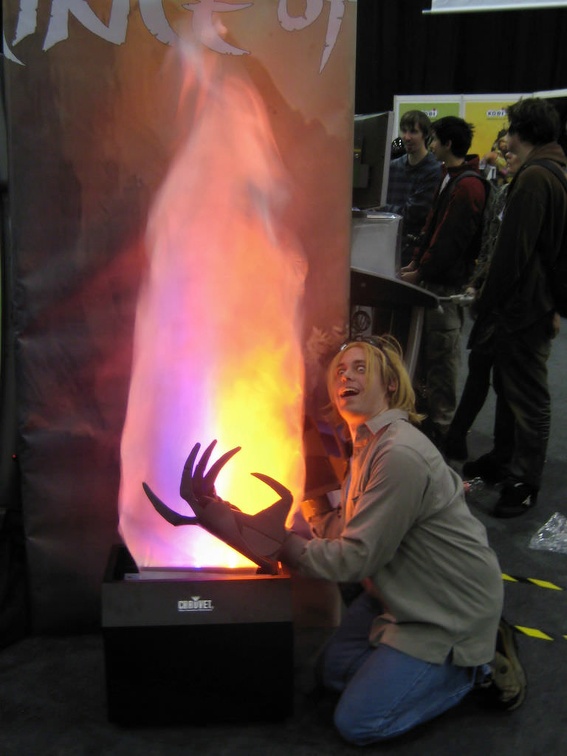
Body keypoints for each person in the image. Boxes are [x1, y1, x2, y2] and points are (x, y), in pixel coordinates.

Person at [279, 335, 525, 745]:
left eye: (361, 368)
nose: (346, 377)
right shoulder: (367, 445)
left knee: (359, 723)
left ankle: (476, 667)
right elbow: (355, 527)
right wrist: (317, 514)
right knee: (333, 675)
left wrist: (285, 547)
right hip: (399, 594)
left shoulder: (397, 453)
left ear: (390, 384)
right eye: (340, 371)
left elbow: (354, 559)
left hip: (445, 608)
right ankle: (408, 657)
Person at [462, 97, 567, 518]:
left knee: (527, 396)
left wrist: (485, 301)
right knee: (509, 388)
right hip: (530, 305)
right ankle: (505, 460)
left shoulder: (536, 177)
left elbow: (513, 254)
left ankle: (524, 481)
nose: (504, 141)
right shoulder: (549, 170)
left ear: (520, 131)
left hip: (525, 308)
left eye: (508, 131)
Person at [400, 117, 488, 447]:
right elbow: (433, 228)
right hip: (430, 281)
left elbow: (450, 240)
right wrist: (416, 264)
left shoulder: (466, 185)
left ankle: (443, 431)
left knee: (443, 360)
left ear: (446, 143)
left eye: (432, 138)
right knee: (428, 357)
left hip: (445, 289)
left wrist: (421, 269)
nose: (430, 144)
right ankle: (431, 426)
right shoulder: (446, 176)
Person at [444, 143, 522, 462]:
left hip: (513, 302)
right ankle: (458, 436)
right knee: (480, 368)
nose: (506, 156)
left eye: (511, 150)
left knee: (506, 380)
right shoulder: (502, 192)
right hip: (490, 295)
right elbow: (489, 244)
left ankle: (506, 457)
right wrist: (477, 283)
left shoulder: (531, 189)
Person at [382, 110, 442, 266]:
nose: (407, 137)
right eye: (404, 131)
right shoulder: (392, 167)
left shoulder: (434, 170)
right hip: (387, 247)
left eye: (413, 132)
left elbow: (413, 214)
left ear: (425, 135)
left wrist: (381, 209)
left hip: (413, 253)